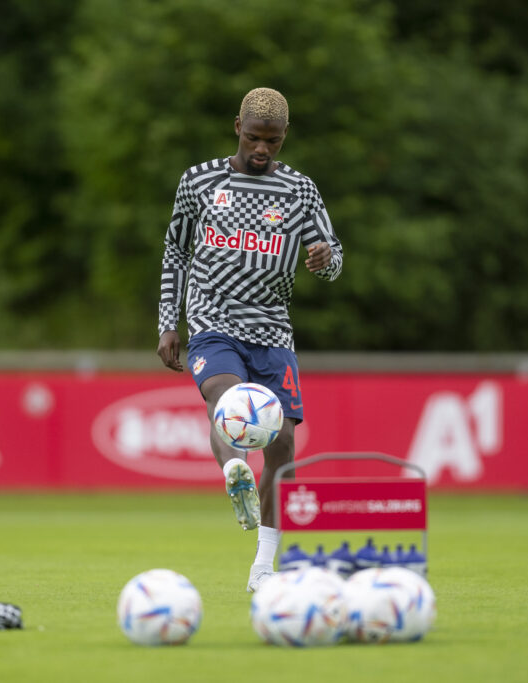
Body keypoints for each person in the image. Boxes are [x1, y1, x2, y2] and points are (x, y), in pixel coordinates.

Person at [156, 87, 343, 592]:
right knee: (231, 401)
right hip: (212, 319)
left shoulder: (300, 191)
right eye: (255, 138)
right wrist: (167, 323)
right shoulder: (199, 181)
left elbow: (334, 257)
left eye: (274, 142)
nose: (262, 150)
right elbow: (175, 253)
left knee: (282, 441)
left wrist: (326, 260)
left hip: (272, 329)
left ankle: (264, 567)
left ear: (285, 138)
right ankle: (235, 466)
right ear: (236, 126)